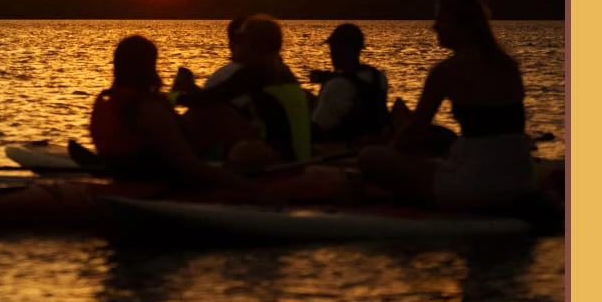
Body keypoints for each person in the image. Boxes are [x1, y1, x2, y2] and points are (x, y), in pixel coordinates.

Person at [359, 0, 539, 212]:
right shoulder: (508, 65)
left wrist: (391, 156)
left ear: (463, 25)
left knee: (369, 157)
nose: (434, 27)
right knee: (439, 161)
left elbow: (414, 132)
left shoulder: (446, 71)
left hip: (475, 188)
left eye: (442, 20)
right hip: (521, 180)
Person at [90, 35, 268, 194]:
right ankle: (262, 160)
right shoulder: (149, 112)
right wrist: (247, 187)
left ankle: (252, 157)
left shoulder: (108, 100)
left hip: (126, 172)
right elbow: (191, 167)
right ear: (147, 68)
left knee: (204, 110)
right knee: (214, 110)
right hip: (157, 180)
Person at [172, 15, 313, 171]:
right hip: (288, 149)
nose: (232, 44)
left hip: (286, 156)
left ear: (253, 44)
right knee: (212, 109)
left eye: (239, 39)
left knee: (208, 110)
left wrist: (170, 97)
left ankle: (185, 165)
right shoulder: (276, 68)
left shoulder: (257, 72)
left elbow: (209, 98)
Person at [309, 23, 391, 145]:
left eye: (332, 49)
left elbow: (317, 129)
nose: (330, 54)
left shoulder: (336, 86)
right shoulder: (379, 77)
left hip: (341, 148)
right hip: (374, 140)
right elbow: (356, 80)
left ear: (339, 51)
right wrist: (326, 77)